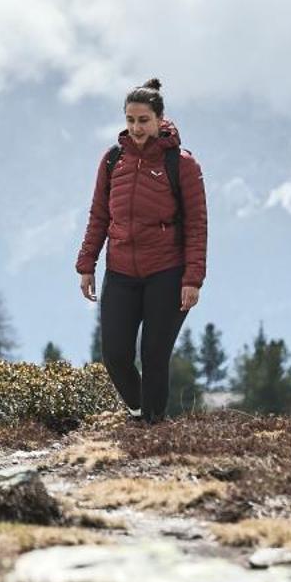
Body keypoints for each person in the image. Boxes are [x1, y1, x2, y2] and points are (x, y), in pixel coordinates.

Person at [75, 78, 208, 423]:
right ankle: (138, 412)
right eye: (130, 120)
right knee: (116, 355)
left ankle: (152, 425)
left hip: (167, 272)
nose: (136, 127)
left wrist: (192, 279)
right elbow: (99, 215)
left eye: (143, 120)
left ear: (161, 120)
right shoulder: (112, 160)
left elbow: (197, 226)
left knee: (153, 354)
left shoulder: (182, 165)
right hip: (120, 271)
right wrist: (86, 264)